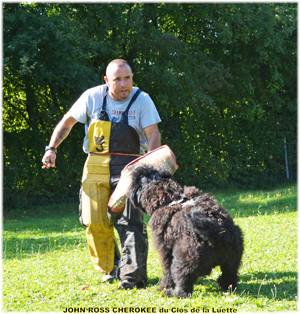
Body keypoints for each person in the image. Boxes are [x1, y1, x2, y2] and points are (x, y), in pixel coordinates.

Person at [42, 59, 161, 289]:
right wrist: (51, 148)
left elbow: (153, 134)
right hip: (95, 164)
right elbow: (67, 121)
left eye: (127, 78)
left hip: (130, 166)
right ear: (107, 81)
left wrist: (149, 165)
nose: (124, 84)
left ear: (132, 78)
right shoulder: (92, 97)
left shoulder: (142, 100)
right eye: (117, 79)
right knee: (93, 220)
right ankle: (112, 267)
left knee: (130, 220)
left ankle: (133, 277)